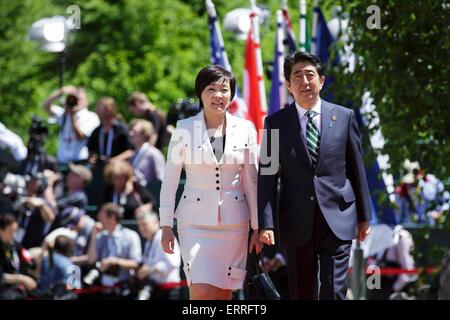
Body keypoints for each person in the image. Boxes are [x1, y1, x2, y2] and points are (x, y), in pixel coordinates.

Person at [258, 51, 372, 300]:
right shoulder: (274, 123)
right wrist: (265, 224)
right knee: (302, 292)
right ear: (288, 85)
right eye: (297, 76)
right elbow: (267, 176)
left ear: (321, 80)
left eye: (310, 75)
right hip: (296, 220)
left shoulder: (344, 117)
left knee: (333, 291)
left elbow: (356, 168)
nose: (304, 81)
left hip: (339, 217)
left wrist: (364, 216)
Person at [160, 65, 261, 300]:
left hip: (234, 225)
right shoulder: (183, 129)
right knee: (201, 294)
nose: (218, 95)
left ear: (232, 95)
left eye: (224, 90)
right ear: (200, 94)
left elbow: (252, 182)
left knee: (222, 296)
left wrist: (258, 227)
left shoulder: (245, 128)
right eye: (211, 89)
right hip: (193, 225)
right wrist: (166, 226)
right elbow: (170, 181)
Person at [87, 203, 142, 286]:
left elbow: (136, 263)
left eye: (102, 216)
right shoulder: (100, 237)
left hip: (124, 285)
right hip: (103, 286)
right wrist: (94, 235)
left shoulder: (130, 236)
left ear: (112, 217)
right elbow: (91, 259)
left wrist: (115, 261)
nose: (99, 218)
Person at [42, 85, 100, 165]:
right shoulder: (64, 115)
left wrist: (73, 117)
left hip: (80, 164)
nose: (77, 102)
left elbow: (79, 137)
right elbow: (45, 106)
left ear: (86, 101)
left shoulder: (91, 117)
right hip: (61, 163)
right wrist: (61, 91)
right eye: (74, 99)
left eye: (79, 99)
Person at [136, 211, 181, 300]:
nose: (141, 228)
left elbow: (173, 263)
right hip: (155, 289)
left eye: (144, 224)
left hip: (169, 290)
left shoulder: (164, 237)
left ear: (156, 222)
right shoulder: (149, 241)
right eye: (139, 225)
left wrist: (149, 270)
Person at [0, 213, 37, 299]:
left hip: (18, 285)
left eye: (15, 232)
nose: (13, 236)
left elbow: (27, 257)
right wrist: (22, 279)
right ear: (1, 230)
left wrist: (32, 263)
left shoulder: (13, 243)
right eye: (10, 232)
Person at [128, 119, 166, 185]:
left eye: (134, 131)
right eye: (131, 130)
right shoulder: (134, 154)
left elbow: (161, 180)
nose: (130, 133)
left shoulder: (154, 154)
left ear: (144, 134)